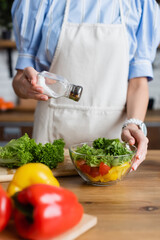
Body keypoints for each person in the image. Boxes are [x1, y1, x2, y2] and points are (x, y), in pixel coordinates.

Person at [11, 0, 160, 171]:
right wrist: (26, 86)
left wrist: (134, 124)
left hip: (112, 141)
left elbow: (138, 82)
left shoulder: (140, 4)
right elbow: (19, 80)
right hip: (50, 138)